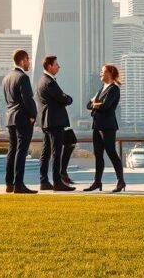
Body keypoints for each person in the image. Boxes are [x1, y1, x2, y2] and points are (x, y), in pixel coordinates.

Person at [84, 63, 126, 193]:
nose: (100, 74)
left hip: (107, 126)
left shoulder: (114, 89)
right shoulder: (102, 88)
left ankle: (121, 181)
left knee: (111, 153)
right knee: (98, 155)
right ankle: (97, 182)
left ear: (110, 73)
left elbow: (105, 106)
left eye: (103, 71)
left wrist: (95, 104)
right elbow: (88, 105)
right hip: (97, 125)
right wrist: (95, 104)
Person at [36, 55, 75, 192]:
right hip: (55, 121)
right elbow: (63, 99)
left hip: (47, 121)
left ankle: (44, 181)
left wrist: (64, 97)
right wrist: (68, 98)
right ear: (49, 66)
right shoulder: (49, 82)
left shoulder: (42, 81)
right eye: (56, 64)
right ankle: (57, 182)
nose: (58, 67)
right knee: (56, 152)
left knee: (46, 152)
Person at [2, 49, 37, 194]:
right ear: (23, 60)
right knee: (21, 151)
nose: (29, 63)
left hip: (10, 117)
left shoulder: (6, 78)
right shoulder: (23, 77)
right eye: (28, 60)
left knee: (12, 150)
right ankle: (19, 184)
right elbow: (27, 99)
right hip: (22, 118)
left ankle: (9, 184)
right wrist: (33, 115)